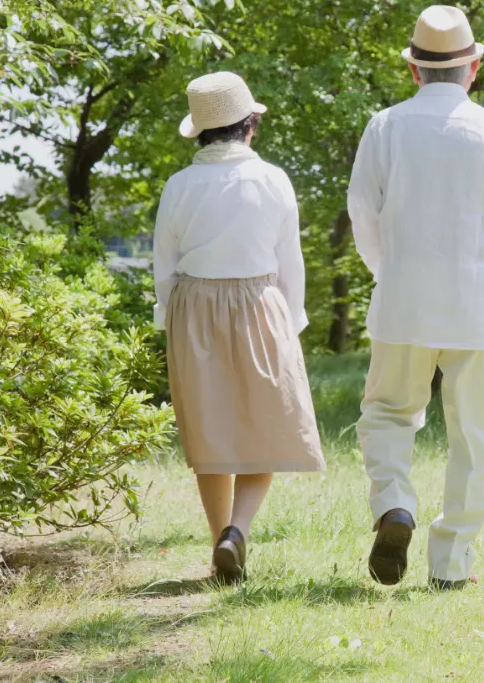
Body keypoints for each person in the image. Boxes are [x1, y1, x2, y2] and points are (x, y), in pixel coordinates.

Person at [348, 5, 484, 589]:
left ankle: (395, 506)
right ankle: (451, 565)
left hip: (402, 301)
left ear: (413, 70)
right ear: (474, 67)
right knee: (474, 437)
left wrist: (391, 271)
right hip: (478, 303)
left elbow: (362, 213)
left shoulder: (384, 126)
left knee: (387, 413)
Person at [153, 71, 326, 583]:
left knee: (211, 431)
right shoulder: (273, 179)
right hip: (259, 300)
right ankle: (238, 531)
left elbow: (165, 265)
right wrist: (292, 323)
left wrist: (171, 323)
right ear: (250, 125)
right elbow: (289, 259)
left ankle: (217, 544)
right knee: (265, 426)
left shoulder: (179, 185)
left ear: (201, 132)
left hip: (193, 306)